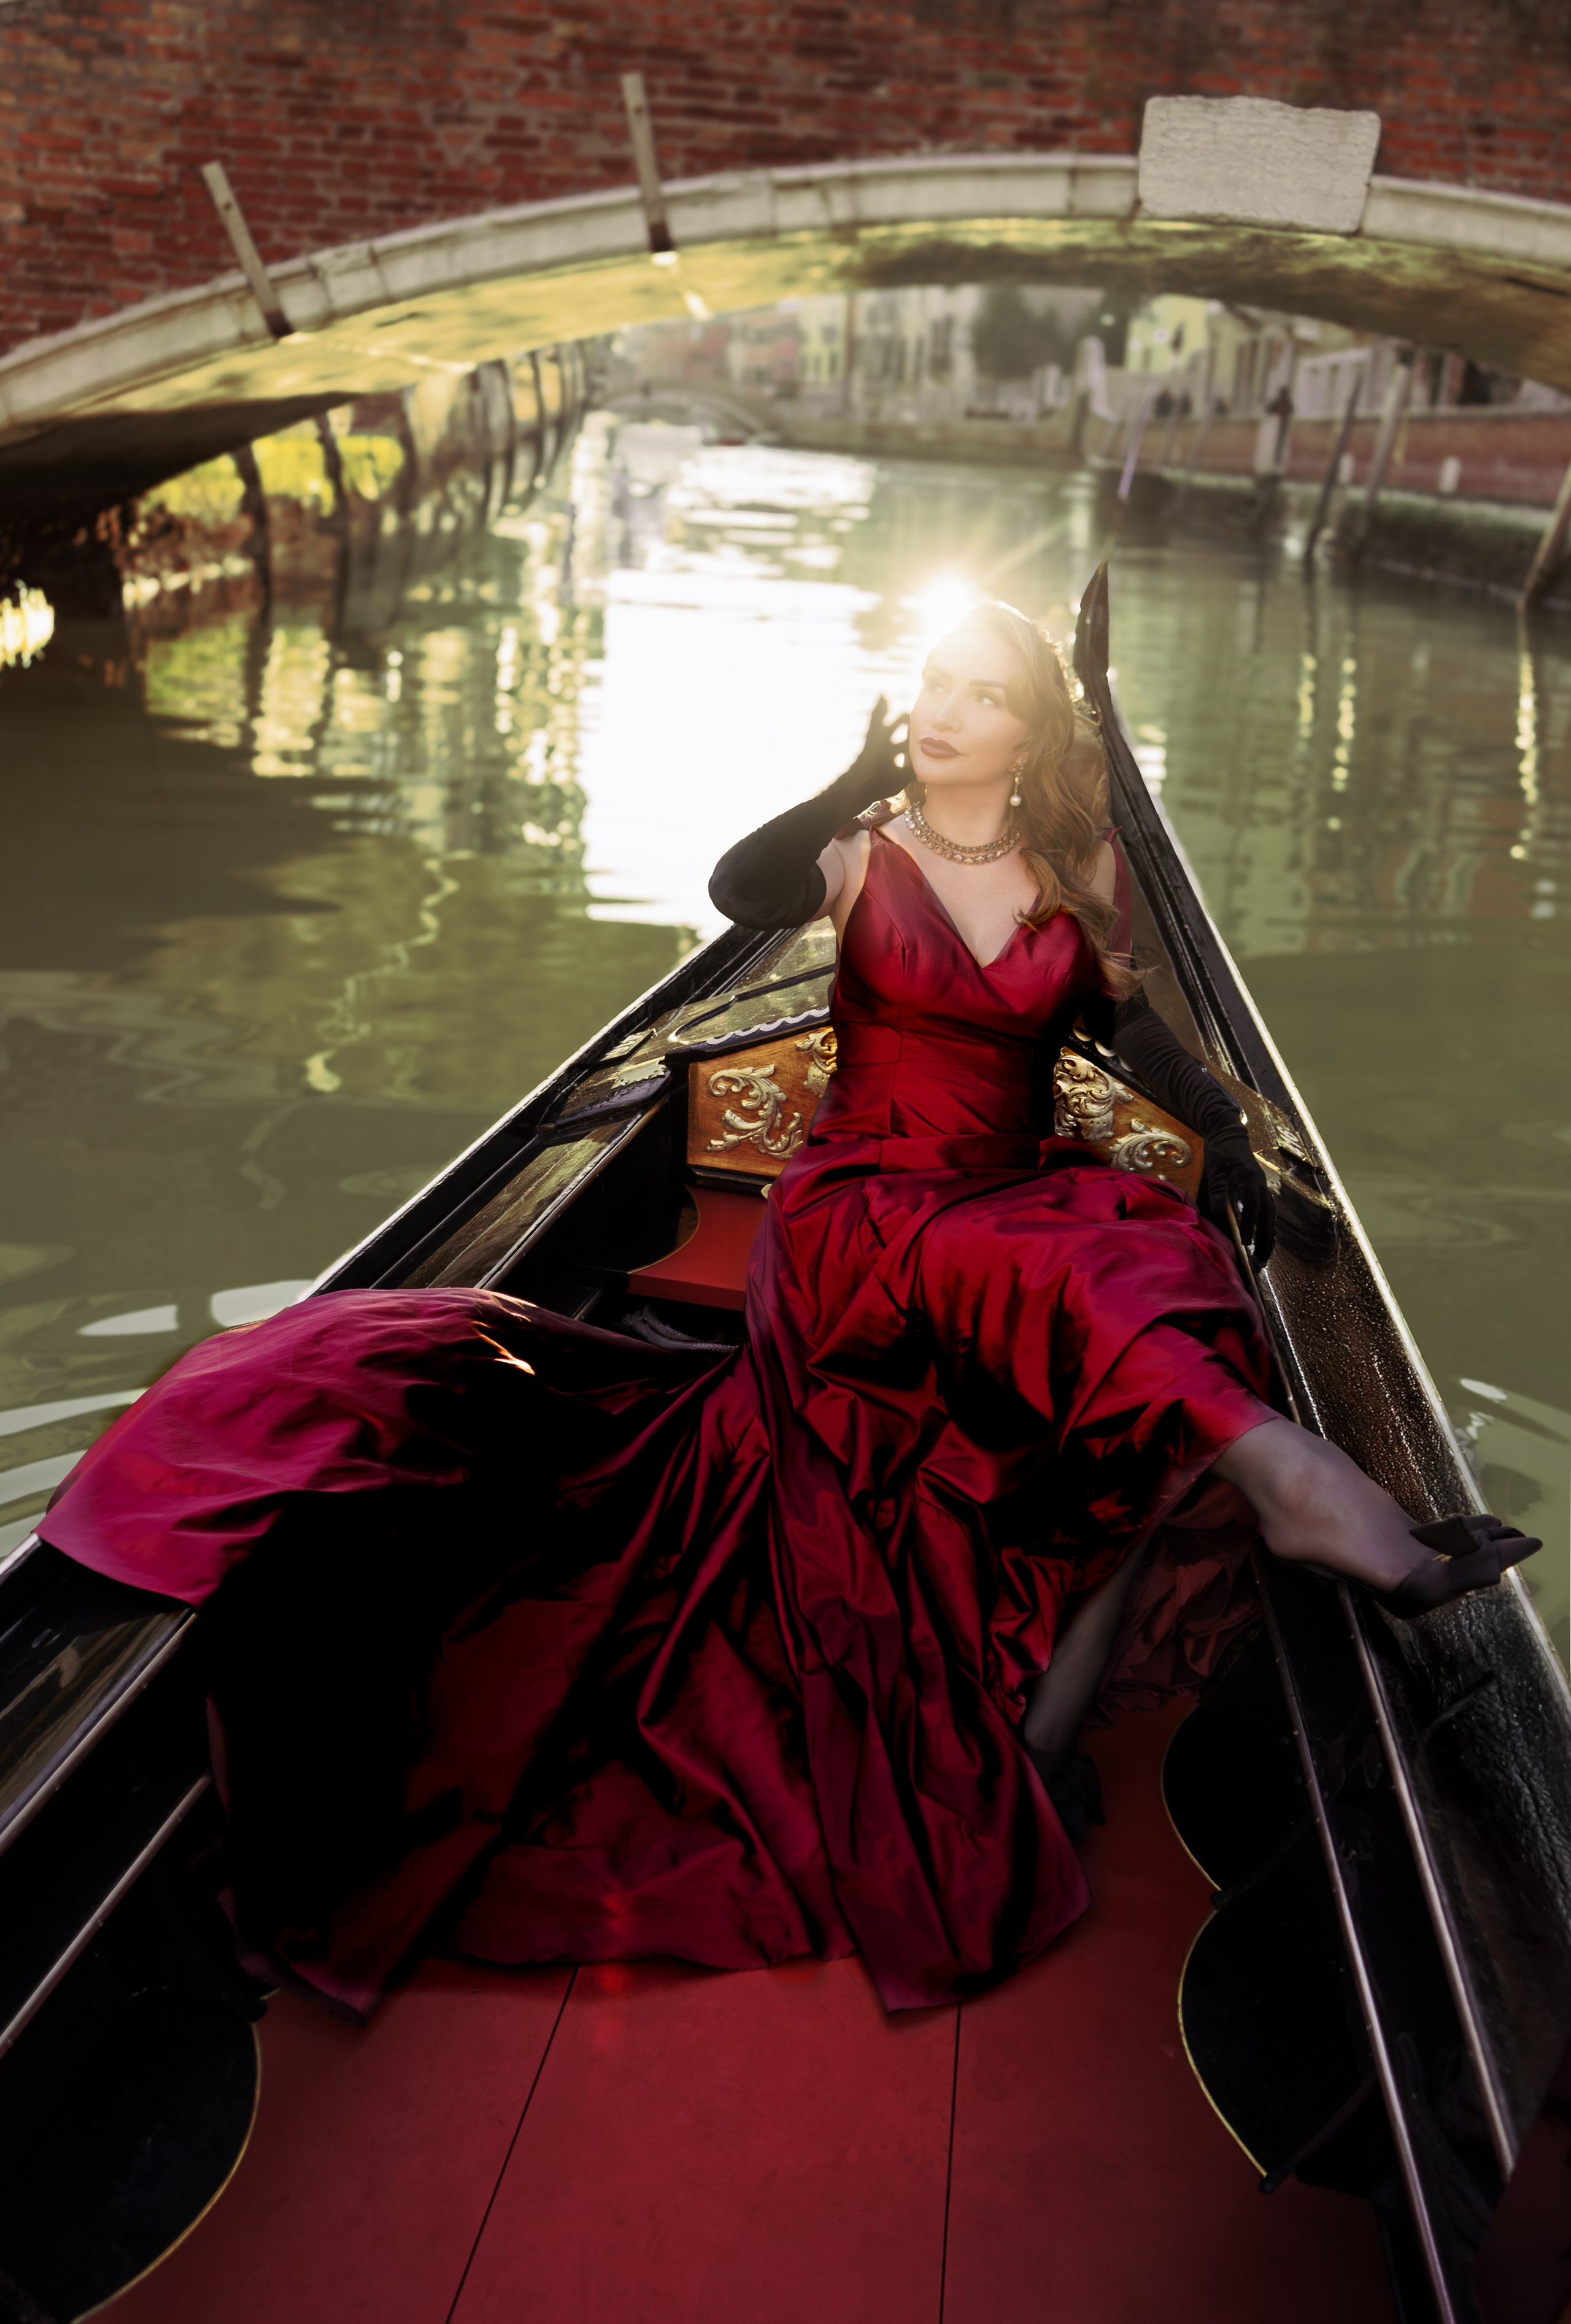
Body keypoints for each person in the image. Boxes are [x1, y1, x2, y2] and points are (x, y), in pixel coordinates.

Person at [36, 603, 1535, 2025]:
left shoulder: (1071, 862)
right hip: (855, 1217)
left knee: (1131, 1269)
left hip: (995, 1204)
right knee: (1095, 1277)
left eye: (979, 695)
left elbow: (1124, 1022)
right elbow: (733, 894)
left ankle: (1062, 1707)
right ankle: (1290, 1479)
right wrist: (850, 773)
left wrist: (1228, 1132)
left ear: (1030, 734)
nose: (944, 713)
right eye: (929, 685)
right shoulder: (855, 851)